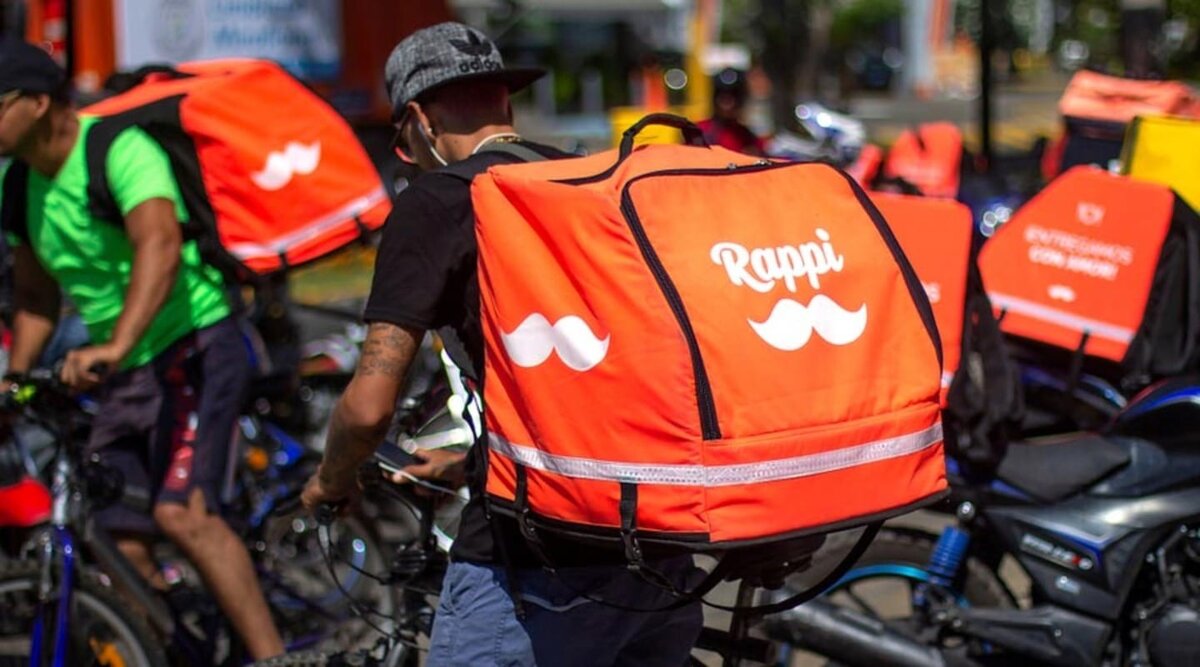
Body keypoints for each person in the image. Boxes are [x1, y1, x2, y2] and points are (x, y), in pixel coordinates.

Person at [301, 22, 703, 666]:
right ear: (505, 102)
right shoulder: (589, 179)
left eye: (402, 142)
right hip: (659, 546)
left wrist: (331, 481)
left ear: (419, 122)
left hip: (533, 564)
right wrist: (467, 465)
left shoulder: (438, 202)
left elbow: (369, 407)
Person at [0, 40, 283, 659]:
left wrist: (117, 344)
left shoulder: (118, 149)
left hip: (194, 345)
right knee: (115, 532)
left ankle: (275, 658)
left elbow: (158, 245)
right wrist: (15, 380)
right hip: (124, 366)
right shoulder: (16, 182)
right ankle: (179, 644)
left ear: (38, 103)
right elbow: (35, 295)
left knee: (185, 514)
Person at [697, 67, 765, 156]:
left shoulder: (749, 138)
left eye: (734, 97)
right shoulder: (699, 132)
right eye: (722, 97)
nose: (728, 103)